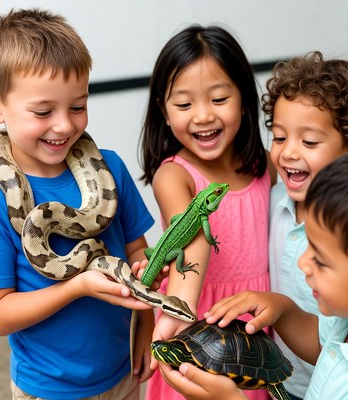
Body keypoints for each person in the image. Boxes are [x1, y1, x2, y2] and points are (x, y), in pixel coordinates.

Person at [0, 8, 158, 400]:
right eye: (43, 111)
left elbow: (139, 255)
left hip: (121, 372)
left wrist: (147, 326)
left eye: (78, 106)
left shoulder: (112, 169)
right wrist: (78, 286)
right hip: (47, 388)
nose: (65, 126)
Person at [139, 25, 276, 400]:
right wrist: (178, 309)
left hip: (253, 321)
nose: (202, 116)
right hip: (196, 323)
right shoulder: (173, 175)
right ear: (163, 113)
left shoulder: (267, 165)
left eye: (218, 99)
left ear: (245, 100)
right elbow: (194, 239)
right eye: (184, 104)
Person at [158, 152, 348, 400]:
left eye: (320, 260)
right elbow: (322, 345)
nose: (303, 262)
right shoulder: (341, 322)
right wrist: (283, 309)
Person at [264, 51, 348, 400]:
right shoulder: (271, 201)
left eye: (309, 142)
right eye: (280, 137)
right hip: (280, 380)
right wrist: (279, 307)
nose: (288, 153)